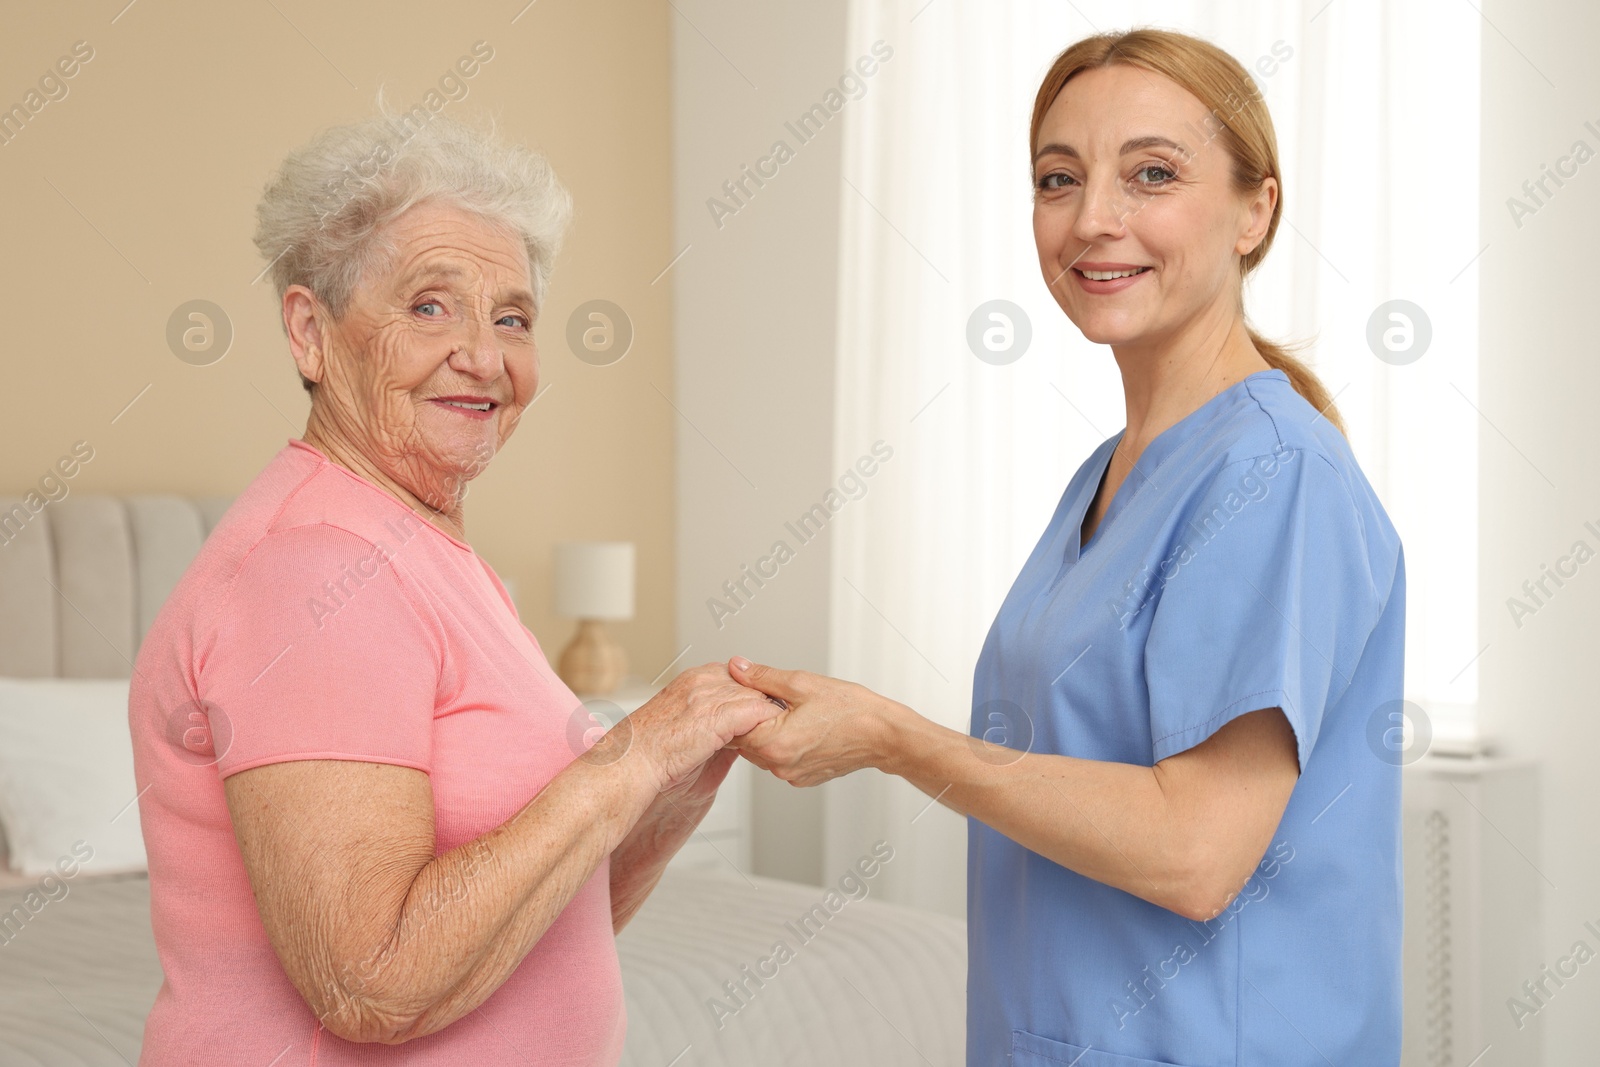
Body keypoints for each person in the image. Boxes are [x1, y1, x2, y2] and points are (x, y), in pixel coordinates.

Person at [730, 28, 1405, 1065]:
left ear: (1253, 211)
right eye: (1059, 178)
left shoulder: (1275, 473)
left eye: (1152, 174)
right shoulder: (1106, 472)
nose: (1094, 219)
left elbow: (1193, 850)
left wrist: (898, 740)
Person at [128, 111, 778, 1065]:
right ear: (310, 331)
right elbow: (370, 981)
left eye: (511, 316)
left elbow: (548, 914)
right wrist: (630, 757)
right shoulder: (314, 573)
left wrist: (679, 776)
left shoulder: (434, 560)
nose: (484, 356)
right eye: (431, 305)